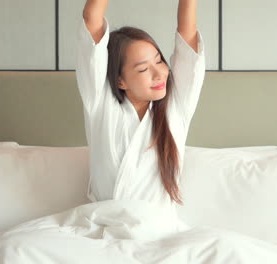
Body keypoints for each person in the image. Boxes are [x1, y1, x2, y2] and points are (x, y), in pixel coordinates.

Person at [76, 0, 205, 228]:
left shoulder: (177, 104)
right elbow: (91, 18)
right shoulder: (100, 103)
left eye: (159, 61)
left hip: (160, 233)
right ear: (120, 80)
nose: (159, 74)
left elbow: (187, 34)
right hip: (101, 230)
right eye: (144, 69)